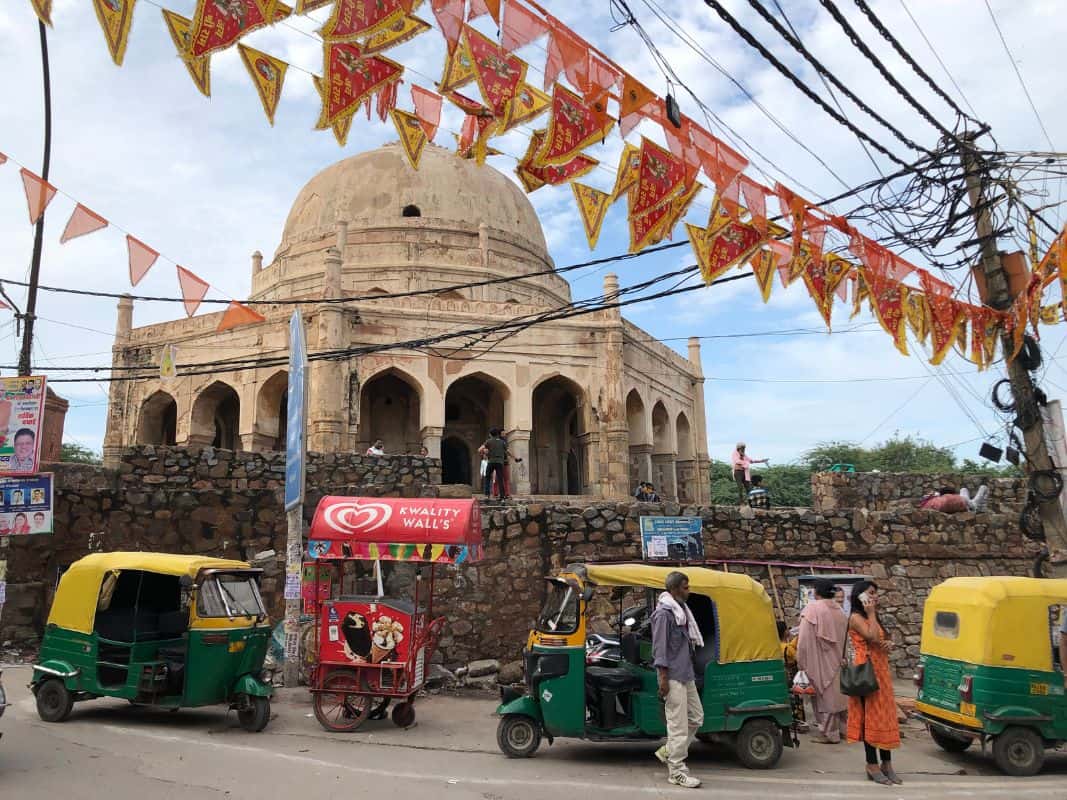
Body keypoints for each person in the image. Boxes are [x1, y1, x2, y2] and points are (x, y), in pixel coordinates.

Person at [650, 571, 704, 788]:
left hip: (685, 673)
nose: (688, 590)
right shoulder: (664, 614)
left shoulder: (681, 610)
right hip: (671, 675)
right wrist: (663, 678)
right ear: (673, 589)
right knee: (678, 725)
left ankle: (670, 750)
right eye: (685, 587)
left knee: (697, 716)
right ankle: (677, 771)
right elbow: (659, 649)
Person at [846, 581, 902, 785]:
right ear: (860, 596)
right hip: (866, 673)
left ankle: (887, 763)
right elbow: (869, 635)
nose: (875, 596)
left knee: (885, 716)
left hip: (881, 672)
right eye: (871, 593)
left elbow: (879, 638)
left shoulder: (872, 616)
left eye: (876, 593)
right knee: (870, 718)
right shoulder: (855, 617)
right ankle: (872, 764)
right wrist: (871, 612)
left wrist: (889, 643)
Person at [798, 578, 849, 744]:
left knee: (823, 697)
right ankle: (844, 730)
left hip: (818, 659)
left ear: (815, 592)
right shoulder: (840, 611)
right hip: (837, 659)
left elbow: (804, 639)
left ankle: (829, 734)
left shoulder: (813, 608)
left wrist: (801, 661)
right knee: (837, 696)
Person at [482, 428, 520, 501]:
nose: (504, 434)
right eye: (503, 433)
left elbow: (480, 449)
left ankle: (487, 495)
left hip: (492, 462)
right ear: (498, 434)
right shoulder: (502, 442)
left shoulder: (489, 441)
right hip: (500, 463)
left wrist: (484, 453)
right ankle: (501, 495)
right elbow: (507, 451)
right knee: (499, 479)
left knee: (489, 478)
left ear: (491, 434)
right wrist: (515, 458)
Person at [919, 485, 988, 513]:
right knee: (983, 488)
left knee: (964, 490)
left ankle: (981, 507)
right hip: (967, 504)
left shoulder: (933, 500)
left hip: (964, 501)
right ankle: (982, 508)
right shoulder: (950, 498)